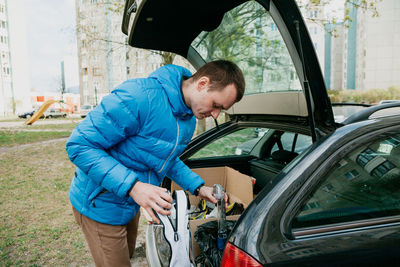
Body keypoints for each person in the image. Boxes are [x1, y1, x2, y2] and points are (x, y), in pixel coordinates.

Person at [66, 60, 245, 266]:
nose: (215, 115)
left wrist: (198, 187)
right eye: (216, 105)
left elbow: (165, 158)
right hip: (100, 203)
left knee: (129, 254)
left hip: (131, 201)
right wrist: (134, 187)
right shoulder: (139, 96)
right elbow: (79, 145)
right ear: (202, 83)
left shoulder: (187, 119)